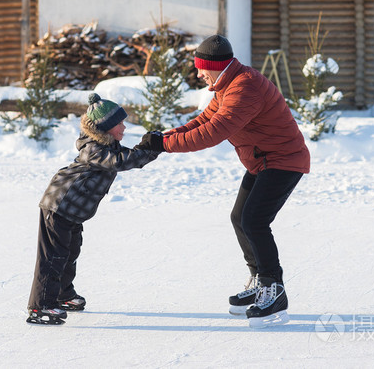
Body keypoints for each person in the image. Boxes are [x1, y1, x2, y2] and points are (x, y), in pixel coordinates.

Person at [136, 34, 310, 328]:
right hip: (263, 160)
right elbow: (203, 120)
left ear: (214, 66)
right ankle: (258, 279)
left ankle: (274, 289)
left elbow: (212, 133)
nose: (198, 73)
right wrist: (163, 137)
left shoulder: (245, 88)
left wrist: (164, 146)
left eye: (201, 68)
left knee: (254, 220)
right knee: (240, 217)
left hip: (283, 161)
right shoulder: (228, 84)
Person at [27, 93, 160, 325]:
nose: (125, 127)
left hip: (73, 212)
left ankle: (63, 295)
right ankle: (40, 307)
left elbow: (123, 156)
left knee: (70, 253)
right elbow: (120, 161)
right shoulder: (94, 149)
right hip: (58, 205)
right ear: (106, 127)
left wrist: (147, 147)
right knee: (53, 257)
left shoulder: (106, 145)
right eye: (120, 123)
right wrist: (148, 150)